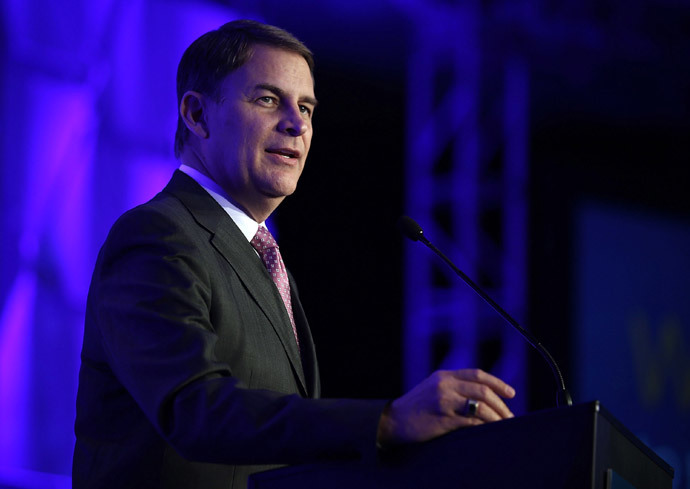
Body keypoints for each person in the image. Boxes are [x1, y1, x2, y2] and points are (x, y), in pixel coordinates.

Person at [72, 19, 516, 489]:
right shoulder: (156, 236)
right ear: (197, 115)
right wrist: (386, 421)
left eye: (306, 107)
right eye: (268, 99)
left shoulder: (261, 255)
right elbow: (196, 408)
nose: (297, 123)